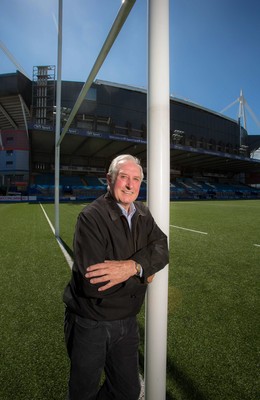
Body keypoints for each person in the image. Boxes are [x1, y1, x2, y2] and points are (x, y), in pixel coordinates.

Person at [63, 154, 169, 400]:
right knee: (83, 393)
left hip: (127, 322)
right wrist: (145, 275)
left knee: (127, 390)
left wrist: (133, 266)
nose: (130, 185)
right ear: (109, 180)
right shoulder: (91, 217)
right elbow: (93, 284)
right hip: (91, 322)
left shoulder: (142, 212)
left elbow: (162, 247)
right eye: (124, 177)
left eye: (136, 179)